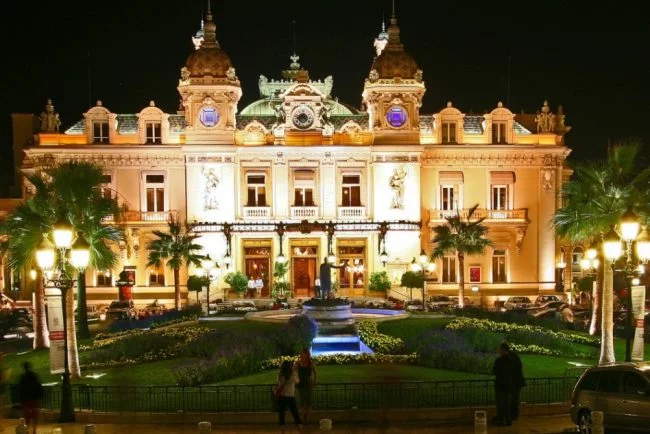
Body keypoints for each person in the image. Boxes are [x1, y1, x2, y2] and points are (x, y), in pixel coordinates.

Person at [276, 360, 302, 432]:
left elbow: (279, 385)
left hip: (282, 397)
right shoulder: (293, 375)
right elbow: (297, 381)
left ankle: (283, 432)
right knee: (296, 415)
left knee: (282, 415)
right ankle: (301, 430)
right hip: (291, 396)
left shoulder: (281, 375)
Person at [492, 342, 513, 426]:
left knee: (500, 402)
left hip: (500, 384)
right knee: (506, 403)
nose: (499, 350)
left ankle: (500, 419)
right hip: (508, 384)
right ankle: (508, 420)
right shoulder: (512, 360)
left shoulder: (499, 360)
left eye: (500, 349)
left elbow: (495, 371)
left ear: (503, 350)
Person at [19, 362, 43, 434]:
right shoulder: (34, 376)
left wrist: (21, 400)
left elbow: (21, 389)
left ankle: (27, 430)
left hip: (26, 399)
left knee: (27, 416)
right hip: (34, 398)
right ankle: (34, 430)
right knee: (34, 415)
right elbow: (38, 386)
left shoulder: (23, 377)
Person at [295, 348, 317, 424]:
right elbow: (292, 371)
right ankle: (302, 417)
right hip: (300, 383)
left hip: (308, 383)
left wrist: (314, 381)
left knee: (309, 401)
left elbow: (315, 373)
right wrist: (295, 380)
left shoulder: (311, 363)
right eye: (302, 353)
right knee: (302, 401)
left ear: (307, 355)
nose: (303, 355)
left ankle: (306, 419)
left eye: (305, 353)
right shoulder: (298, 363)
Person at [508, 346, 526, 421]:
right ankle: (514, 414)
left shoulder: (512, 358)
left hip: (516, 382)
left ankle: (514, 415)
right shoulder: (515, 357)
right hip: (517, 382)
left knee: (514, 399)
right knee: (515, 399)